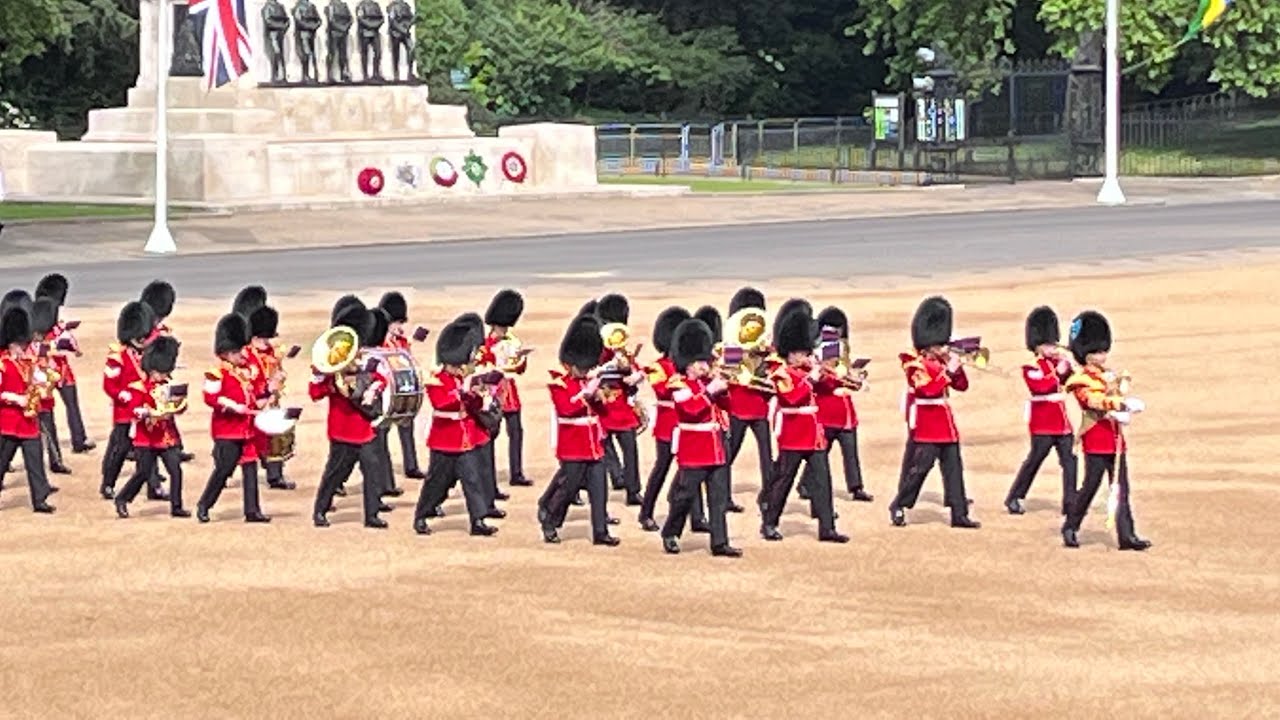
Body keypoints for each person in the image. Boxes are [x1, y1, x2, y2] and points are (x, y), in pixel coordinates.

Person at [1061, 311, 1151, 551]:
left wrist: (1124, 399)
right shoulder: (1080, 379)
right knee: (1090, 487)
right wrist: (1118, 405)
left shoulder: (1106, 376)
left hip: (1115, 439)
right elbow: (1092, 401)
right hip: (1096, 440)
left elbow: (1112, 395)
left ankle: (1127, 535)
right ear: (1086, 354)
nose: (1102, 355)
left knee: (1121, 488)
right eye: (1097, 352)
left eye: (1103, 351)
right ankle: (1071, 525)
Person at [888, 296, 980, 529]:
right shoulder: (914, 365)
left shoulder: (941, 362)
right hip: (928, 424)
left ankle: (959, 514)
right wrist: (947, 372)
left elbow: (961, 387)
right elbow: (926, 390)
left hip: (945, 424)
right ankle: (899, 503)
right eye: (938, 345)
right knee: (920, 469)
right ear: (927, 345)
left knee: (953, 470)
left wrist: (957, 370)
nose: (942, 349)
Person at [758, 307, 848, 543]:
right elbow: (792, 397)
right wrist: (811, 377)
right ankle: (769, 522)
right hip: (793, 432)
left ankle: (827, 527)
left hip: (814, 434)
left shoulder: (808, 370)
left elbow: (828, 388)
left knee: (823, 480)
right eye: (798, 353)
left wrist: (830, 374)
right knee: (784, 480)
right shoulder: (780, 373)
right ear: (788, 354)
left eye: (804, 352)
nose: (802, 357)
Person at [660, 318, 741, 557]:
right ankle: (671, 532)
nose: (703, 366)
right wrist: (710, 391)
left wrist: (725, 387)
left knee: (717, 497)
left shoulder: (706, 383)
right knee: (685, 495)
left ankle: (719, 542)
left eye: (704, 361)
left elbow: (728, 406)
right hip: (694, 447)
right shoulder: (678, 384)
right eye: (699, 362)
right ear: (687, 364)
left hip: (715, 446)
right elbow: (691, 410)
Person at [536, 313, 619, 546]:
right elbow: (567, 409)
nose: (584, 371)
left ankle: (600, 532)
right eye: (581, 368)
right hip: (573, 445)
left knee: (599, 490)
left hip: (594, 444)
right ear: (570, 364)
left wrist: (599, 397)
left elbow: (602, 413)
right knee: (567, 488)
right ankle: (550, 521)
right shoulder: (559, 383)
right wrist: (586, 394)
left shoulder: (587, 380)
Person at [411, 319, 498, 537]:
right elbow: (442, 403)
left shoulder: (463, 380)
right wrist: (464, 392)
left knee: (472, 479)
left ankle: (477, 520)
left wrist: (479, 396)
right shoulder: (436, 380)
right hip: (444, 439)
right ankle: (422, 514)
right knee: (436, 482)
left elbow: (471, 406)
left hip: (465, 439)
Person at [311, 299, 390, 528]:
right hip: (342, 428)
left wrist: (369, 387)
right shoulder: (328, 364)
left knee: (372, 471)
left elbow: (381, 380)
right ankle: (320, 510)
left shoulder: (366, 360)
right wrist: (331, 383)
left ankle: (372, 514)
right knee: (335, 473)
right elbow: (315, 393)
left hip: (363, 427)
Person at [195, 313, 270, 524]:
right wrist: (232, 406)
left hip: (246, 428)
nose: (242, 355)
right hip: (227, 430)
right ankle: (204, 505)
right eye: (237, 352)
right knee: (224, 470)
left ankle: (252, 510)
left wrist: (266, 395)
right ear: (227, 353)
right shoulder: (216, 373)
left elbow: (255, 394)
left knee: (250, 469)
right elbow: (210, 397)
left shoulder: (245, 371)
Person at [1005, 306, 1077, 515]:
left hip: (1061, 421)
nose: (1053, 348)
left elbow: (1070, 383)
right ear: (1037, 346)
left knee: (1070, 461)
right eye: (1048, 344)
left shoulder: (1057, 362)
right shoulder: (1031, 366)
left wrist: (1069, 369)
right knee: (1035, 460)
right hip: (1043, 421)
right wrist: (1058, 372)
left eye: (1053, 343)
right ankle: (1015, 496)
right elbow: (1040, 387)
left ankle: (1070, 502)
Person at [798, 307, 873, 503]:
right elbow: (820, 383)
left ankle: (856, 487)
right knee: (820, 453)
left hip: (845, 411)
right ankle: (805, 483)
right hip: (827, 411)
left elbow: (844, 374)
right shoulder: (816, 355)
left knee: (851, 452)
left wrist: (854, 377)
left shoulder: (842, 350)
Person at [114, 336, 189, 518]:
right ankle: (123, 498)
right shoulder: (138, 387)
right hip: (145, 438)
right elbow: (134, 409)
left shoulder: (168, 386)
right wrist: (146, 412)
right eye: (159, 373)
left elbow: (178, 407)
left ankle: (176, 506)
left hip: (165, 437)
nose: (163, 376)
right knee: (143, 473)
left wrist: (177, 406)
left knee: (176, 471)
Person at [637, 306, 694, 532]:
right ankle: (646, 512)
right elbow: (662, 390)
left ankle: (696, 517)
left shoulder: (688, 365)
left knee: (692, 471)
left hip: (689, 424)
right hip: (668, 425)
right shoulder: (658, 367)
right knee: (662, 468)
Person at [100, 301, 160, 500]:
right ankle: (108, 483)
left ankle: (154, 486)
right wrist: (119, 394)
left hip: (145, 410)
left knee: (149, 450)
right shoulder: (117, 356)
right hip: (125, 412)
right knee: (120, 449)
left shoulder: (148, 354)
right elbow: (109, 384)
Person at [0, 304, 56, 513]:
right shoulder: (2, 364)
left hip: (28, 420)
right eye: (19, 345)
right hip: (8, 422)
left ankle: (40, 499)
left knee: (35, 460)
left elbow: (36, 379)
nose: (23, 348)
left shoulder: (26, 362)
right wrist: (16, 399)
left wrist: (44, 382)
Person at [723, 287, 772, 512]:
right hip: (739, 405)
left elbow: (767, 374)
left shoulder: (764, 348)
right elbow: (731, 373)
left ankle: (768, 496)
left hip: (759, 406)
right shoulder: (731, 347)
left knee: (766, 455)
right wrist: (747, 354)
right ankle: (722, 495)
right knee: (730, 452)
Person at [594, 293, 645, 506]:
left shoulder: (621, 347)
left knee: (630, 449)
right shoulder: (599, 349)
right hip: (604, 404)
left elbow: (635, 369)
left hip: (622, 406)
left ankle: (633, 490)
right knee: (605, 445)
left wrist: (633, 374)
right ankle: (617, 476)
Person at [35, 274, 94, 453]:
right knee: (67, 406)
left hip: (44, 368)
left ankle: (65, 446)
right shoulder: (57, 326)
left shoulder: (40, 320)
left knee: (49, 412)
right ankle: (78, 440)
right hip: (55, 369)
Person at [480, 289, 532, 487]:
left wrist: (521, 359)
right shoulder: (485, 344)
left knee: (516, 432)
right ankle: (490, 481)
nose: (504, 331)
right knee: (491, 436)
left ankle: (516, 473)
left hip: (509, 391)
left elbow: (518, 369)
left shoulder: (512, 341)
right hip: (493, 391)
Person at [378, 291, 423, 485]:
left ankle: (411, 466)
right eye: (396, 323)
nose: (399, 327)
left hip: (402, 389)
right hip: (385, 391)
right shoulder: (380, 339)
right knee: (382, 434)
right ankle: (386, 480)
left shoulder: (401, 341)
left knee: (407, 425)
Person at [29, 297, 71, 475]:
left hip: (44, 397)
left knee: (50, 430)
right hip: (28, 398)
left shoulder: (43, 345)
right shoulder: (26, 346)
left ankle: (56, 461)